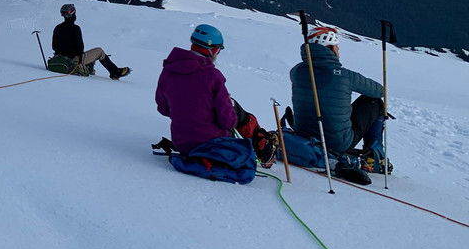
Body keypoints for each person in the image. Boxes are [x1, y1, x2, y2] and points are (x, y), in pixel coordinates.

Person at [155, 24, 276, 164]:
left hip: (182, 144)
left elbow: (163, 109)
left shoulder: (168, 71)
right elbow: (227, 122)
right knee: (233, 106)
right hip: (214, 146)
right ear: (213, 50)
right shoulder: (213, 76)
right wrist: (225, 103)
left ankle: (260, 142)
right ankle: (262, 146)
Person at [289, 24, 389, 172]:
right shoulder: (344, 76)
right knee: (375, 102)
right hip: (338, 142)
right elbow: (379, 91)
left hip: (303, 134)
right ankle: (373, 158)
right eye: (337, 47)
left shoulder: (296, 72)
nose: (338, 50)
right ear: (330, 47)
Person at [52, 3, 131, 79]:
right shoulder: (76, 28)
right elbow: (80, 49)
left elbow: (54, 46)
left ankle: (89, 68)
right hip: (73, 62)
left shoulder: (57, 28)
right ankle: (115, 72)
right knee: (99, 51)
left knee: (89, 54)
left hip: (61, 59)